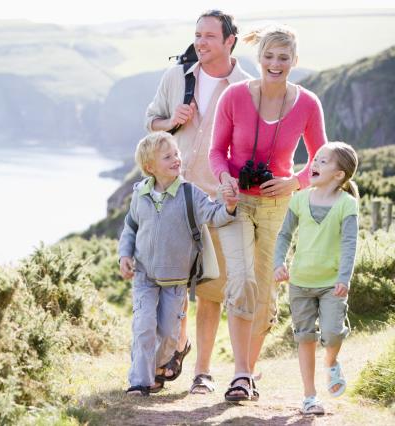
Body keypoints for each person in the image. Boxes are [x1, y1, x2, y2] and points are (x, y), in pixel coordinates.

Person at [209, 24, 327, 401]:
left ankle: (248, 373)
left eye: (283, 57)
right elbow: (217, 153)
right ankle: (241, 374)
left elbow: (320, 160)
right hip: (237, 202)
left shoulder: (308, 103)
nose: (275, 64)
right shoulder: (234, 97)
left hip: (280, 206)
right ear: (258, 58)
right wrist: (226, 178)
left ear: (294, 61)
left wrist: (294, 182)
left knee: (264, 293)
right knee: (241, 280)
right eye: (269, 56)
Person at [144, 9, 251, 394]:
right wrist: (171, 119)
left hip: (215, 201)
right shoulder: (177, 76)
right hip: (172, 197)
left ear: (229, 41)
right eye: (197, 35)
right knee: (171, 283)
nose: (200, 42)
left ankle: (202, 373)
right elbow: (151, 123)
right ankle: (175, 347)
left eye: (209, 36)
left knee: (209, 289)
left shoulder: (245, 87)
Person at [118, 131, 237, 396]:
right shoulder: (141, 193)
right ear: (150, 167)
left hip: (176, 281)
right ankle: (140, 380)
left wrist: (228, 207)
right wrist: (124, 255)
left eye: (176, 154)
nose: (176, 158)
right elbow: (130, 227)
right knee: (144, 325)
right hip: (145, 277)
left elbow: (213, 214)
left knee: (169, 335)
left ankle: (158, 367)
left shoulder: (189, 193)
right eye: (168, 156)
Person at [274, 142, 359, 415]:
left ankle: (331, 362)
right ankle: (309, 396)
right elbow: (284, 234)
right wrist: (279, 263)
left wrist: (344, 277)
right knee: (305, 337)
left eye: (324, 161)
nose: (315, 164)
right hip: (300, 282)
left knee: (333, 334)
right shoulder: (299, 198)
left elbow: (349, 244)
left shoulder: (347, 205)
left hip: (333, 283)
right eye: (316, 159)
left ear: (339, 175)